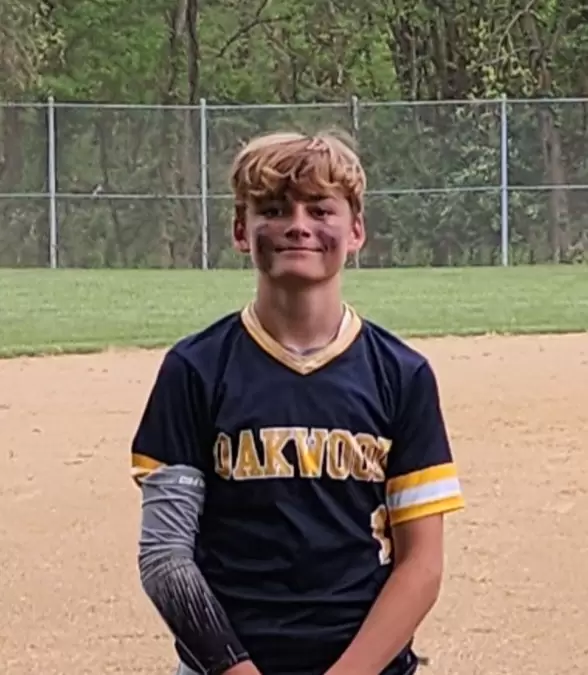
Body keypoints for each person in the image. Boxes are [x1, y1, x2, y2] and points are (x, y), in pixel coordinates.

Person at [130, 130, 465, 675]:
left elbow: (421, 564)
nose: (298, 225)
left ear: (356, 230)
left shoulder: (401, 375)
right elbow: (165, 558)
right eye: (273, 209)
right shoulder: (195, 369)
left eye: (321, 209)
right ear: (241, 230)